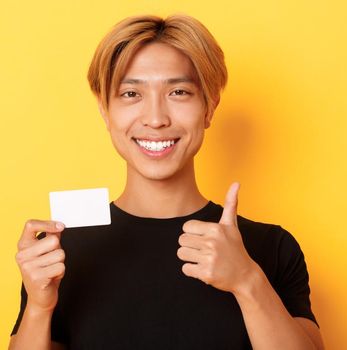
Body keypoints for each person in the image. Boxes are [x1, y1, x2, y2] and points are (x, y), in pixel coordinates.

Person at [9, 14, 324, 350]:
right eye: (131, 93)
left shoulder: (270, 246)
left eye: (178, 91)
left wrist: (248, 282)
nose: (156, 119)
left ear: (209, 107)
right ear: (105, 110)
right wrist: (39, 308)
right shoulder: (62, 250)